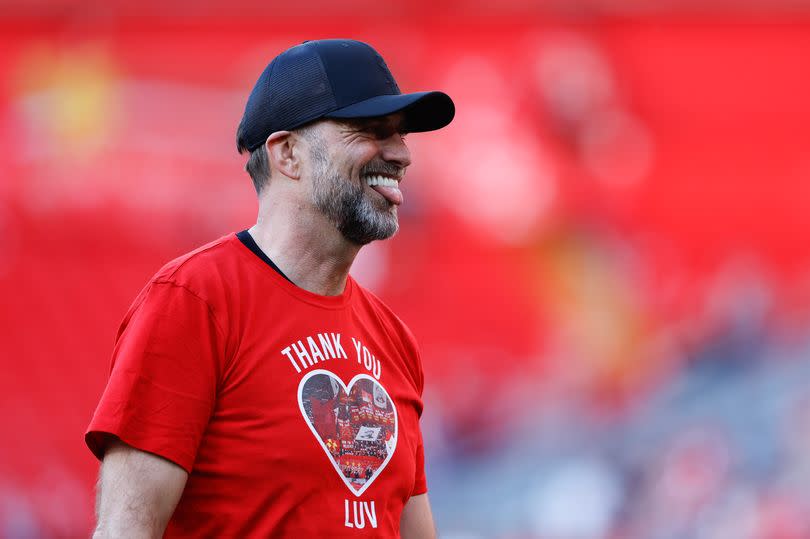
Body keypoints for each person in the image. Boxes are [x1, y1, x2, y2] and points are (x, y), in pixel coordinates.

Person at [85, 38, 454, 537]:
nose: (401, 154)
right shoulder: (194, 301)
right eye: (370, 131)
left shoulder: (393, 338)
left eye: (401, 135)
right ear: (288, 154)